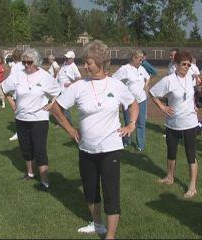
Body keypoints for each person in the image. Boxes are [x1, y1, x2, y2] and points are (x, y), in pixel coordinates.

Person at [50, 40, 139, 239]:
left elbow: (133, 104)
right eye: (84, 62)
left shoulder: (116, 85)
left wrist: (131, 124)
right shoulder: (79, 86)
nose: (85, 66)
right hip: (86, 149)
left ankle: (110, 236)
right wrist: (70, 130)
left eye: (88, 62)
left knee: (111, 193)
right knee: (90, 191)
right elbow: (56, 108)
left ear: (100, 62)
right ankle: (97, 224)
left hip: (111, 148)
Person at [1, 48, 61, 191]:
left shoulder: (45, 77)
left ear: (37, 63)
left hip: (39, 120)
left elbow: (58, 92)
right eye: (24, 62)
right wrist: (13, 104)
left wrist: (50, 105)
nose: (26, 65)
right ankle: (30, 173)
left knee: (39, 150)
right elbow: (4, 88)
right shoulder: (17, 75)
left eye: (29, 62)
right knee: (26, 148)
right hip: (21, 119)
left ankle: (45, 182)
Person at [149, 50, 199, 198]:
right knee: (171, 152)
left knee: (191, 154)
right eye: (183, 64)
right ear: (176, 64)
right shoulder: (169, 80)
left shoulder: (190, 78)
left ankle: (192, 186)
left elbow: (190, 93)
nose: (186, 67)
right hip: (172, 123)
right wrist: (163, 107)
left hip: (190, 123)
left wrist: (193, 104)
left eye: (188, 65)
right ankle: (170, 177)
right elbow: (152, 93)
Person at [112, 49, 150, 151]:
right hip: (129, 102)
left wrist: (146, 86)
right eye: (139, 59)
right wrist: (120, 93)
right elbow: (113, 79)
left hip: (141, 100)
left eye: (142, 60)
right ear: (133, 58)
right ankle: (126, 141)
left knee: (141, 123)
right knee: (128, 121)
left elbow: (148, 77)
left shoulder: (142, 69)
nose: (141, 62)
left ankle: (140, 145)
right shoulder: (125, 69)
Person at [56, 50, 81, 124]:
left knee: (64, 108)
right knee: (58, 107)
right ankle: (60, 122)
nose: (66, 59)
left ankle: (69, 123)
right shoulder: (64, 64)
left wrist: (70, 84)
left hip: (65, 90)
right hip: (59, 89)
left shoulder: (73, 66)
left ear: (72, 59)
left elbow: (79, 78)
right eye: (66, 57)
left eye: (68, 58)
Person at [6, 49, 24, 142]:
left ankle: (19, 133)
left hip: (18, 92)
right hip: (26, 91)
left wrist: (7, 92)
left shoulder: (15, 67)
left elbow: (11, 80)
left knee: (18, 112)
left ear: (13, 57)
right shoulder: (25, 65)